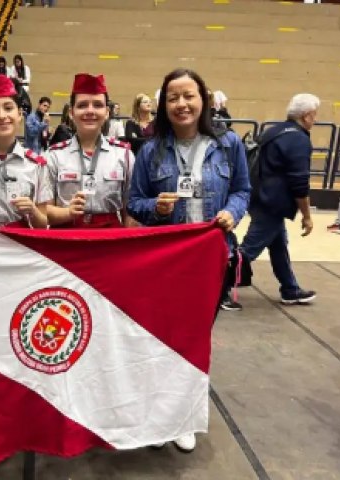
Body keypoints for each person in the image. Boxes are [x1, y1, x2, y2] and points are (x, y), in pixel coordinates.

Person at [127, 68, 250, 452]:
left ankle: (181, 416)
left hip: (212, 257)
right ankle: (154, 410)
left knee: (195, 338)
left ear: (204, 99)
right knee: (161, 337)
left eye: (189, 95)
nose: (181, 104)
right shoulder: (150, 151)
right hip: (167, 260)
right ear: (164, 104)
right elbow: (135, 203)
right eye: (173, 97)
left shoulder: (228, 144)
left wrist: (232, 211)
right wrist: (157, 208)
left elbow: (243, 189)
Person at [240, 93, 319, 305]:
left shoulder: (274, 131)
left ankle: (290, 289)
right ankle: (217, 287)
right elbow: (300, 182)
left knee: (278, 245)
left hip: (258, 196)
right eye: (314, 114)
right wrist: (307, 216)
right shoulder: (299, 139)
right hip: (273, 203)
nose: (315, 119)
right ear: (306, 116)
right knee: (248, 250)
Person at [46, 73, 136, 229]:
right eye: (82, 105)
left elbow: (129, 212)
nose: (90, 111)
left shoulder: (124, 155)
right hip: (66, 239)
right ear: (71, 113)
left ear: (107, 112)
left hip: (110, 240)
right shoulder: (54, 156)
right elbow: (44, 211)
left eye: (97, 105)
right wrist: (68, 212)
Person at [0, 75, 51, 228]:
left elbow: (44, 225)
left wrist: (33, 211)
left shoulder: (36, 165)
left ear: (19, 115)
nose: (2, 116)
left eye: (8, 108)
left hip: (20, 247)